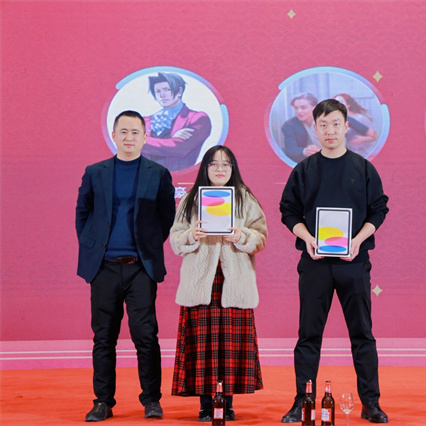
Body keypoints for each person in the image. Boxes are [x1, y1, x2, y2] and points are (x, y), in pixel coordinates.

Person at [279, 99, 390, 423]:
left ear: (346, 126)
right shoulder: (304, 170)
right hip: (315, 263)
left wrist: (358, 240)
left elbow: (379, 209)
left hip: (354, 263)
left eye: (336, 124)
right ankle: (303, 401)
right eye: (323, 125)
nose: (330, 130)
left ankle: (371, 403)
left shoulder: (363, 168)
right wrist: (307, 237)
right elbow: (288, 211)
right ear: (315, 128)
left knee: (363, 334)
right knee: (308, 335)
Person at [76, 110, 176, 422]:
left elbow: (166, 217)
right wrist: (94, 247)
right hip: (104, 267)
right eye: (123, 131)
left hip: (140, 268)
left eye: (135, 132)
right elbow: (83, 214)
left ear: (145, 137)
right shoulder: (95, 172)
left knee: (146, 335)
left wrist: (147, 247)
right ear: (114, 135)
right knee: (103, 337)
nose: (129, 137)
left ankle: (151, 400)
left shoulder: (158, 174)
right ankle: (103, 402)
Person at [169, 146, 267, 422]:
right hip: (201, 282)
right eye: (214, 164)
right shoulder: (190, 199)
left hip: (234, 281)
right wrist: (191, 235)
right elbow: (175, 239)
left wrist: (242, 236)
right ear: (205, 168)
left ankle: (228, 403)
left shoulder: (245, 198)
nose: (220, 169)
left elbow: (260, 237)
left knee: (229, 349)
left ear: (233, 168)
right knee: (202, 348)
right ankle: (204, 405)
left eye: (226, 164)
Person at [142, 72, 212, 172]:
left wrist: (139, 141)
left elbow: (180, 148)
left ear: (179, 91)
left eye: (167, 89)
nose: (162, 95)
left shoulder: (197, 118)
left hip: (179, 177)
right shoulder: (145, 121)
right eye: (157, 91)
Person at [281, 92, 373, 163]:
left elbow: (349, 120)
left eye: (303, 107)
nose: (299, 111)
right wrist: (305, 151)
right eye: (296, 108)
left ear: (314, 107)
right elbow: (290, 149)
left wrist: (367, 133)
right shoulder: (289, 125)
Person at [333, 93, 378, 157]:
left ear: (348, 104)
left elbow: (374, 136)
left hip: (361, 154)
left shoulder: (360, 118)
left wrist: (362, 139)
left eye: (340, 102)